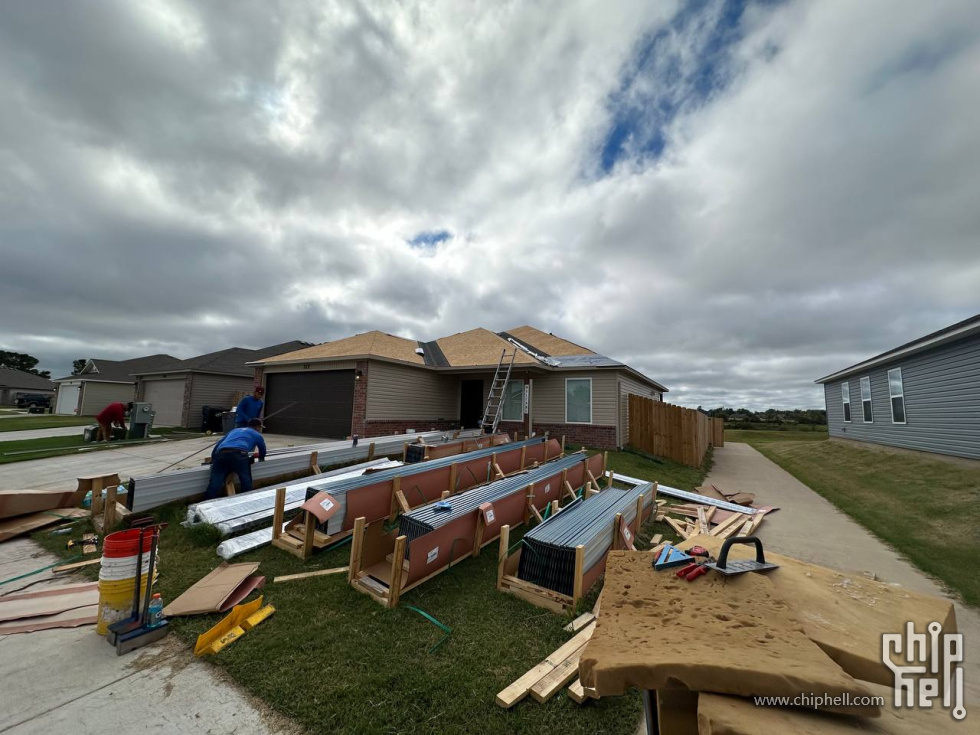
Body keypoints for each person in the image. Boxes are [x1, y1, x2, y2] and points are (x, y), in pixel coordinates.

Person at [204, 418, 267, 500]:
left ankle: (206, 501)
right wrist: (261, 457)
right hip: (239, 455)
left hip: (221, 453)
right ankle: (246, 500)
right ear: (257, 427)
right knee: (245, 478)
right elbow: (262, 449)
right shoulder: (256, 435)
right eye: (259, 428)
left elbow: (218, 444)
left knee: (216, 480)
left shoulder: (234, 431)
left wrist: (213, 458)